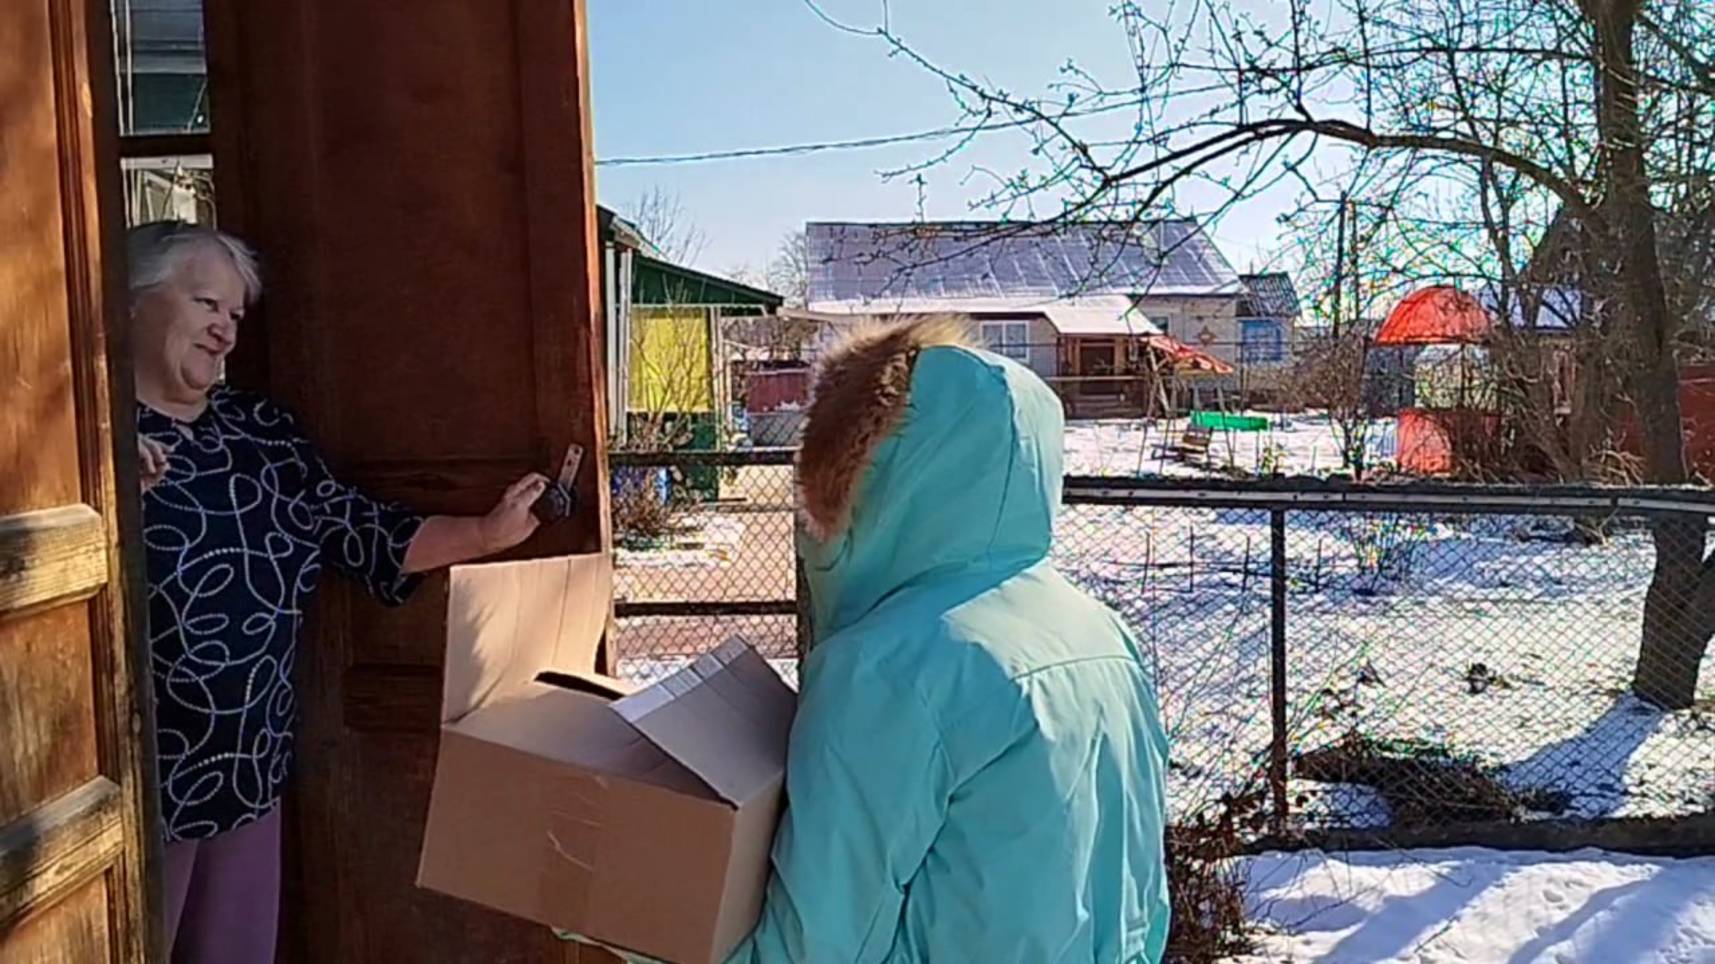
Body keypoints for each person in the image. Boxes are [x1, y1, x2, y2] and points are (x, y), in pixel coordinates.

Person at [128, 220, 551, 963]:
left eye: (235, 314)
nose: (225, 330)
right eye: (205, 304)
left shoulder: (261, 435)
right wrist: (104, 481)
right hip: (132, 793)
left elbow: (359, 531)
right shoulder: (81, 442)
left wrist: (485, 534)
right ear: (131, 302)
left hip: (246, 774)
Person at [727, 316, 1172, 963]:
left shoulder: (887, 667)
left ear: (858, 473)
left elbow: (815, 947)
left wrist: (637, 922)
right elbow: (1142, 893)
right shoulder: (1101, 631)